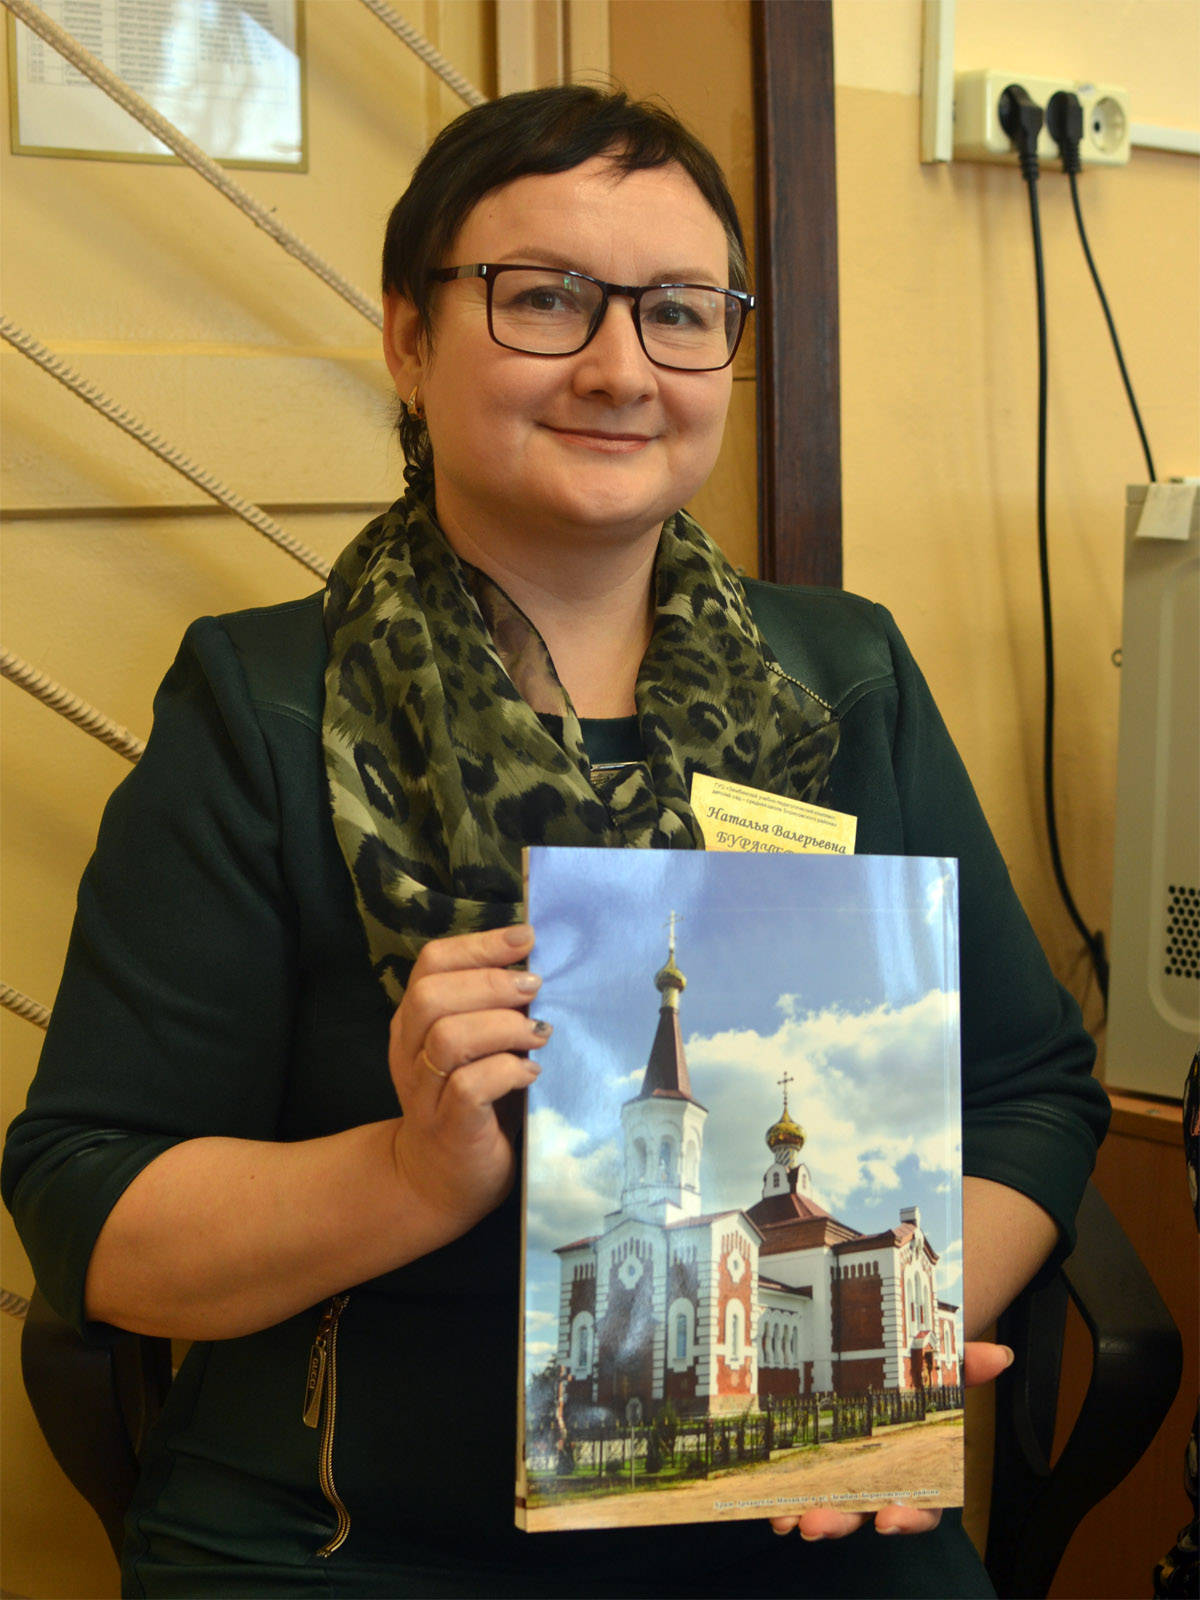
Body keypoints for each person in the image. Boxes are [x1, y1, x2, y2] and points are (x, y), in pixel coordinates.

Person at [3, 85, 1108, 1599]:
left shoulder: (844, 683)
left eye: (679, 312)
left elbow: (1032, 1095)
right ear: (408, 341)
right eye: (543, 299)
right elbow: (91, 1206)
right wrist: (410, 1175)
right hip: (357, 1534)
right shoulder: (265, 708)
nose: (619, 367)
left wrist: (892, 1353)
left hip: (788, 1520)